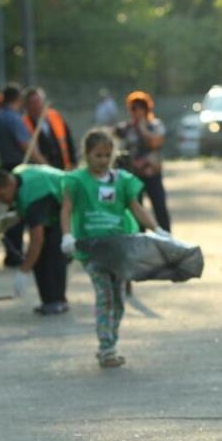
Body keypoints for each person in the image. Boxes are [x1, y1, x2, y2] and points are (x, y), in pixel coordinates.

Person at [60, 128, 158, 368]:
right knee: (104, 297)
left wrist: (157, 228)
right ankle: (106, 348)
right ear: (86, 155)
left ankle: (111, 341)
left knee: (119, 299)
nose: (103, 160)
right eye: (97, 155)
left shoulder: (122, 181)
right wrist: (66, 236)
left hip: (119, 248)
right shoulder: (77, 181)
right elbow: (67, 209)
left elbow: (136, 208)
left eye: (107, 155)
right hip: (92, 250)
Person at [0, 165, 69, 315]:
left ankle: (57, 301)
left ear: (9, 184)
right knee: (40, 256)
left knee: (51, 251)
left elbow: (36, 240)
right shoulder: (17, 173)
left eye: (0, 197)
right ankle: (49, 300)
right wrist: (16, 214)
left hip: (68, 204)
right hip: (53, 206)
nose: (1, 202)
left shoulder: (34, 197)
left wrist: (23, 270)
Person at [0, 83, 46, 267]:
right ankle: (16, 252)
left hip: (7, 164)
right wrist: (44, 166)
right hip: (19, 168)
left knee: (15, 212)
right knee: (22, 210)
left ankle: (12, 251)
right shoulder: (14, 119)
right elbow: (26, 146)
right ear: (18, 100)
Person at [115, 91, 171, 232]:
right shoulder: (125, 129)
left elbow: (155, 143)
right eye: (134, 108)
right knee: (137, 210)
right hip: (135, 175)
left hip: (152, 173)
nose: (137, 111)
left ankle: (166, 238)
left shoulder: (155, 125)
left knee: (160, 208)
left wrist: (142, 127)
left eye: (141, 107)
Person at [22, 87, 77, 171]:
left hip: (63, 165)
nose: (36, 105)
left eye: (38, 101)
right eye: (32, 103)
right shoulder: (24, 123)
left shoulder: (55, 116)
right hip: (42, 170)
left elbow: (68, 140)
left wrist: (73, 162)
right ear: (27, 106)